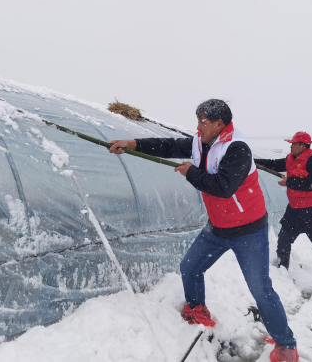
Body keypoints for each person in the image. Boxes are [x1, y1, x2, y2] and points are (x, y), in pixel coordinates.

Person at [108, 99, 299, 362]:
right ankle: (197, 309)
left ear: (220, 124)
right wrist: (132, 144)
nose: (198, 127)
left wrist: (191, 173)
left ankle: (286, 345)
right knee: (190, 267)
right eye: (198, 120)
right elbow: (170, 145)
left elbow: (223, 187)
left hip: (248, 231)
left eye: (203, 122)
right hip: (218, 228)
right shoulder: (201, 140)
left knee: (261, 289)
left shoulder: (237, 149)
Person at [255, 132, 312, 285]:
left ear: (302, 146)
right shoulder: (290, 159)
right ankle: (282, 272)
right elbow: (273, 163)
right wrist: (251, 160)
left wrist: (290, 182)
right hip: (295, 209)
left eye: (294, 144)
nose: (291, 146)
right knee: (283, 240)